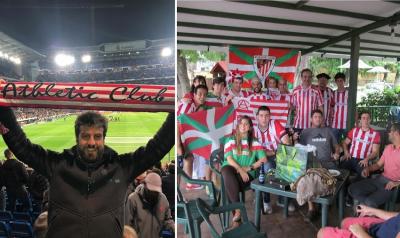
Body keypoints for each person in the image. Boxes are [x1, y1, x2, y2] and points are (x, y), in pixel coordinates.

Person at [0, 104, 174, 237]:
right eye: (86, 136)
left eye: (97, 136)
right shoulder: (57, 165)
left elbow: (157, 148)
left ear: (104, 138)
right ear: (77, 138)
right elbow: (23, 148)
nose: (92, 142)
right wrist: (4, 108)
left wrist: (176, 115)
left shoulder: (121, 167)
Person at [295, 109, 341, 221]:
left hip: (327, 162)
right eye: (315, 117)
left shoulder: (328, 131)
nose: (318, 119)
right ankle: (311, 209)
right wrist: (295, 140)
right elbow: (300, 149)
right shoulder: (305, 132)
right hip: (311, 163)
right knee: (308, 179)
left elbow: (337, 146)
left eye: (320, 117)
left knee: (335, 178)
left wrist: (337, 153)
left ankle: (324, 202)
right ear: (311, 119)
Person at [221, 116, 267, 222]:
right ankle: (238, 209)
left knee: (229, 183)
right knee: (225, 171)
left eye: (246, 124)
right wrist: (241, 170)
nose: (243, 126)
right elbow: (229, 159)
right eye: (241, 123)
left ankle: (237, 216)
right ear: (238, 126)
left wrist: (249, 167)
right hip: (231, 169)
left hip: (248, 173)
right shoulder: (230, 139)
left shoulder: (255, 142)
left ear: (250, 127)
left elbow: (263, 159)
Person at [348, 123, 400, 208]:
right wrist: (368, 169)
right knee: (352, 189)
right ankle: (369, 208)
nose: (388, 133)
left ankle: (368, 209)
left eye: (390, 131)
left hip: (392, 186)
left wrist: (396, 183)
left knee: (370, 201)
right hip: (380, 179)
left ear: (396, 133)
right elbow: (379, 164)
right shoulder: (389, 148)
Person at [254, 106, 291, 214]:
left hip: (278, 154)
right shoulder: (253, 129)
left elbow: (286, 142)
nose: (264, 118)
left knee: (287, 166)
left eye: (266, 116)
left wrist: (277, 153)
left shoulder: (275, 124)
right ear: (257, 117)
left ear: (270, 117)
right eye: (261, 116)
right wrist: (270, 152)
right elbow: (255, 151)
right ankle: (266, 201)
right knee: (268, 168)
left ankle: (283, 198)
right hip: (262, 157)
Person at [177, 84, 211, 189]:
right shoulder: (188, 105)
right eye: (199, 94)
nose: (202, 97)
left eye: (205, 95)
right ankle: (186, 185)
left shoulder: (195, 106)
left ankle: (190, 183)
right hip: (179, 137)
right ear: (194, 95)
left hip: (185, 139)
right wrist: (178, 145)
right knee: (184, 161)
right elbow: (178, 123)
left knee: (189, 158)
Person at [125, 172, 174, 238]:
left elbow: (167, 219)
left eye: (156, 191)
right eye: (151, 190)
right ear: (144, 184)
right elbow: (127, 225)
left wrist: (174, 228)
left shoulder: (162, 199)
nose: (154, 193)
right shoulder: (133, 199)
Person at [317, 205, 400, 238]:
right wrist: (372, 211)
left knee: (322, 233)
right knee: (345, 222)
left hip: (371, 235)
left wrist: (361, 234)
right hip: (382, 226)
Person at [341, 111, 380, 178]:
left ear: (370, 120)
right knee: (340, 172)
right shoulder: (354, 130)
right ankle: (345, 187)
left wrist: (367, 159)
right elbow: (345, 143)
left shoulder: (375, 134)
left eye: (368, 118)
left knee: (363, 175)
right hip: (350, 157)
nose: (366, 120)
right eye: (363, 118)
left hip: (363, 160)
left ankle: (355, 187)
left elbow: (375, 152)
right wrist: (346, 152)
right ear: (360, 120)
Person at [331, 72, 349, 143]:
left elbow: (354, 109)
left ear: (344, 81)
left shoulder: (349, 93)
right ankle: (336, 154)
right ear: (335, 82)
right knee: (334, 142)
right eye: (338, 81)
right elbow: (331, 108)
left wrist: (356, 123)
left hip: (346, 124)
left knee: (346, 143)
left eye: (341, 80)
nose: (339, 83)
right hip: (335, 124)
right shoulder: (333, 93)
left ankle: (344, 154)